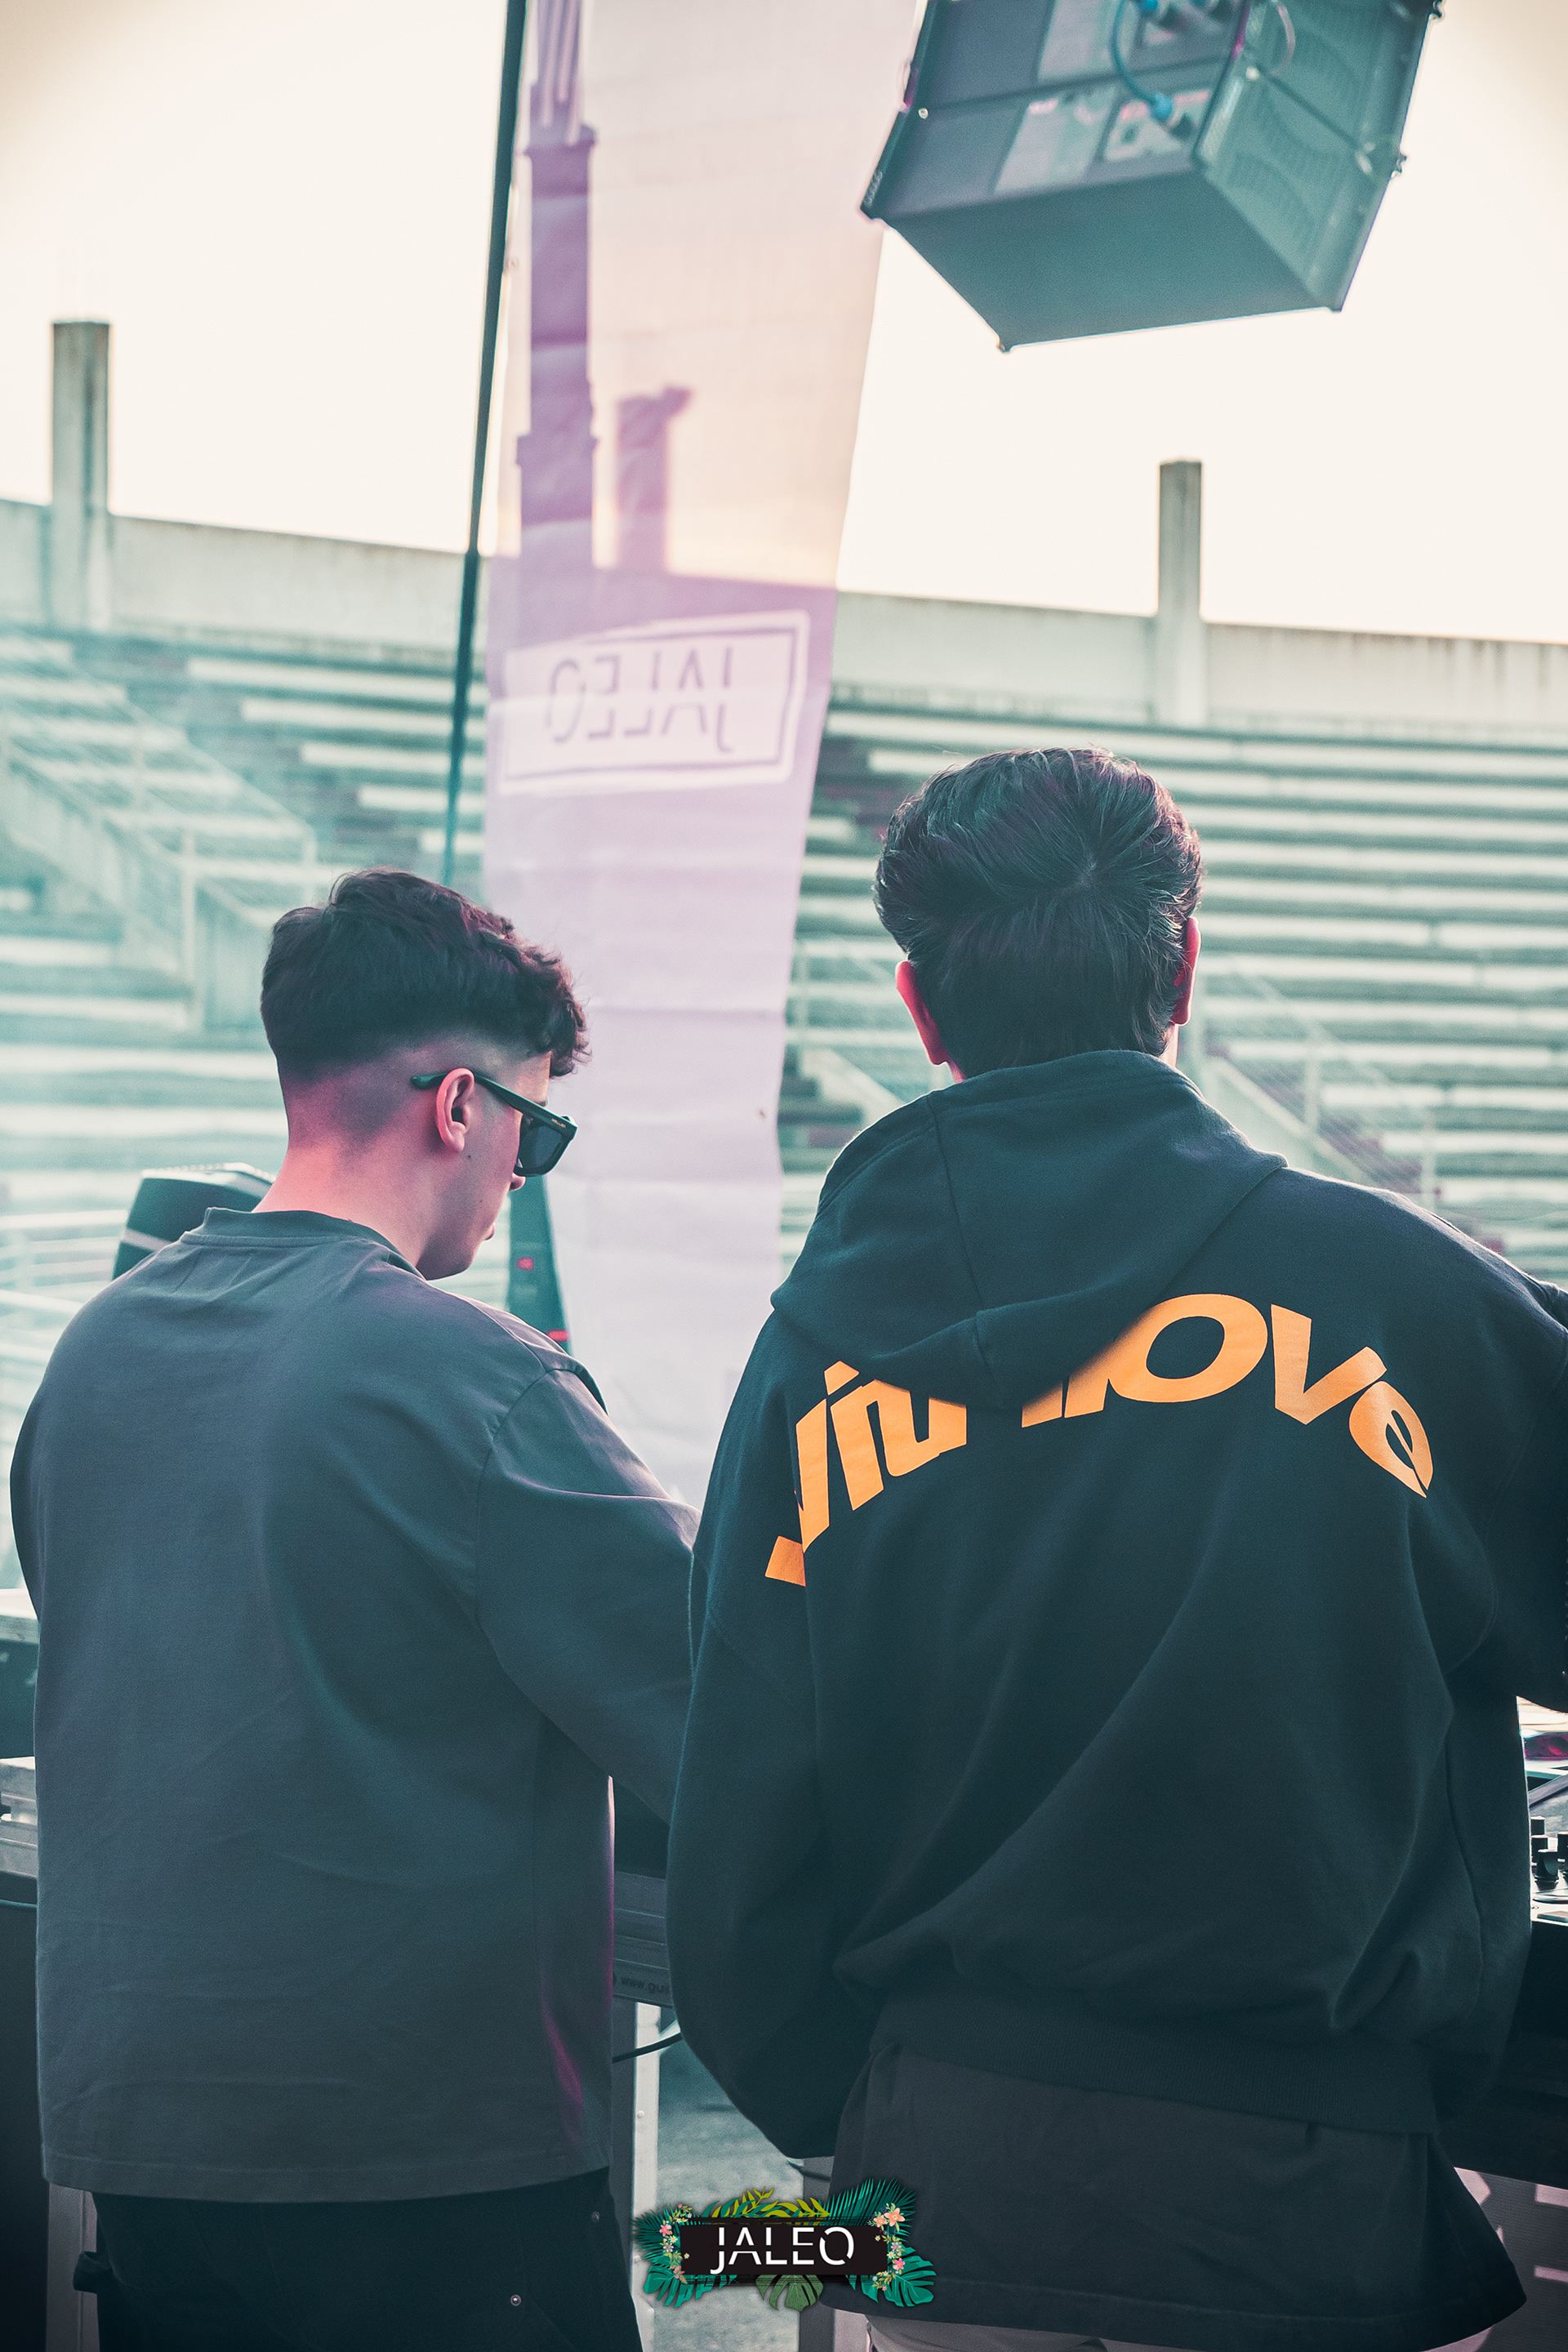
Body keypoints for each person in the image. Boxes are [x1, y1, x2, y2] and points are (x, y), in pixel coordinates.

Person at [666, 749, 1568, 2352]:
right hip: (1306, 2179)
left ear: (920, 1007)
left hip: (941, 2174)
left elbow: (741, 1824)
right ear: (1184, 969)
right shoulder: (1398, 1299)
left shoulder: (812, 1359)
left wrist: (871, 2115)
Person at [12, 868, 694, 2352]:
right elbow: (721, 1705)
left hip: (152, 2160)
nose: (525, 1172)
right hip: (427, 2179)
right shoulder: (477, 1379)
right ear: (459, 1106)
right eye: (538, 1131)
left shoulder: (94, 1355)